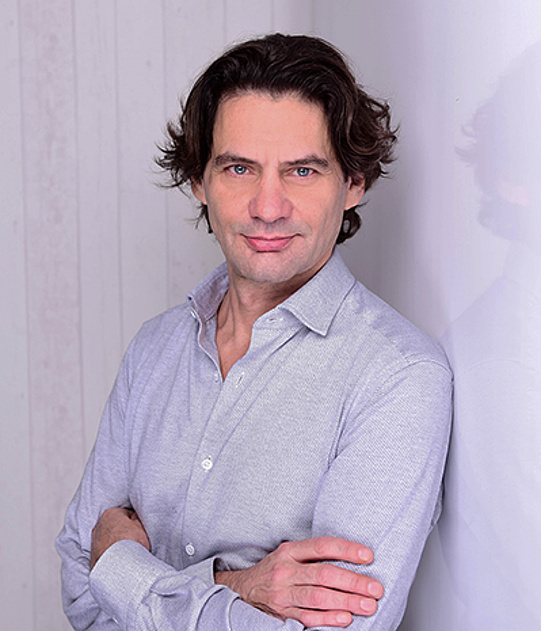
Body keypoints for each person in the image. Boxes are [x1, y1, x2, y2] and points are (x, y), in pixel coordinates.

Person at [56, 33, 452, 630]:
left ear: (353, 184)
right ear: (199, 180)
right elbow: (80, 589)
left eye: (302, 170)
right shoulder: (154, 348)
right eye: (239, 168)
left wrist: (121, 569)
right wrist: (238, 587)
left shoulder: (398, 379)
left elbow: (103, 574)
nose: (268, 207)